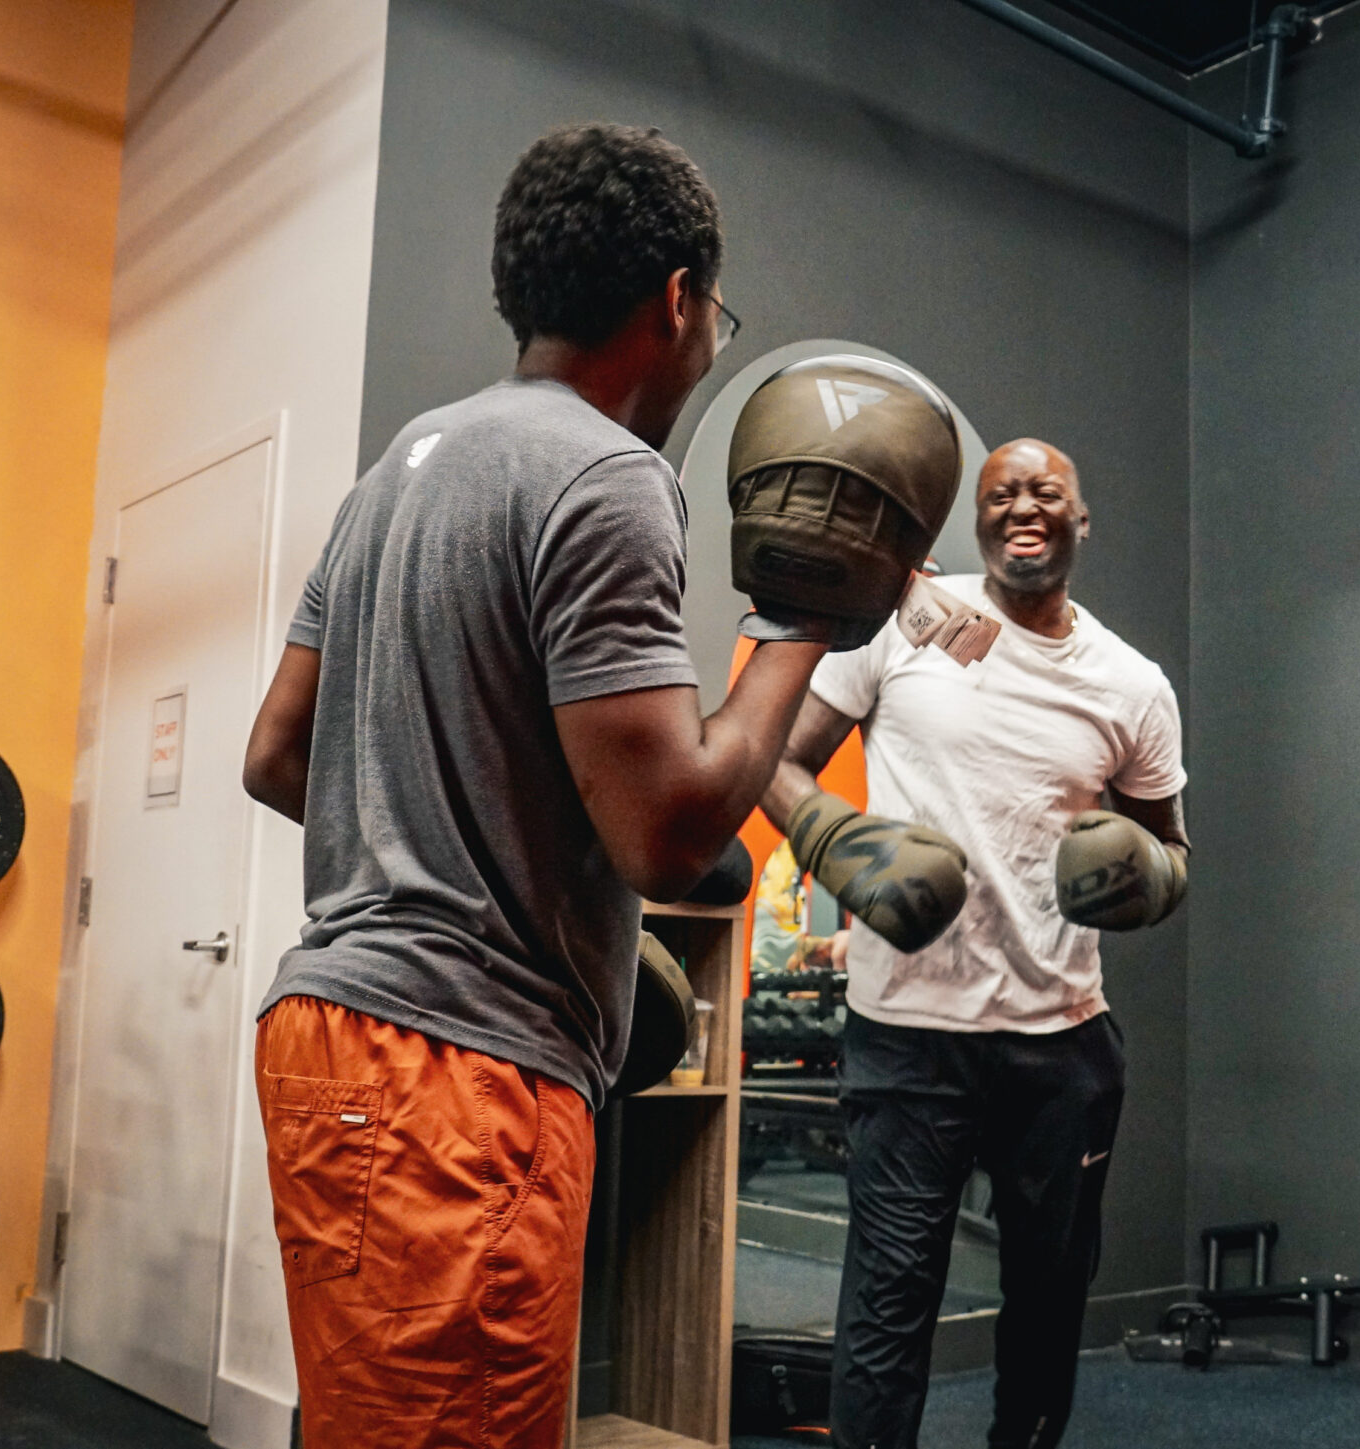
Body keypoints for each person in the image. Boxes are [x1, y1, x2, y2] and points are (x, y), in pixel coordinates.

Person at [237, 124, 955, 1447]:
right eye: (713, 317)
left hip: (327, 1036)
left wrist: (476, 853)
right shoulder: (607, 474)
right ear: (678, 301)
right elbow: (668, 837)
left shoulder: (403, 463)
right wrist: (800, 617)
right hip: (457, 1073)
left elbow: (279, 755)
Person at [760, 439, 1188, 1449]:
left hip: (1062, 1043)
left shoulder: (1131, 684)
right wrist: (834, 838)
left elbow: (1171, 849)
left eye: (1046, 492)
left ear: (1082, 523)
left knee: (1047, 1304)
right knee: (886, 1306)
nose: (1022, 507)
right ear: (980, 520)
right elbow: (777, 760)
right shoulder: (904, 626)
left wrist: (1147, 878)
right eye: (1001, 494)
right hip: (908, 1034)